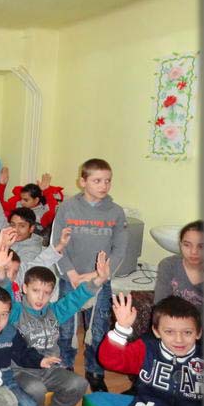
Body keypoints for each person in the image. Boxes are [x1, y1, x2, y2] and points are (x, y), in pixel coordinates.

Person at [8, 251, 110, 406]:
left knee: (79, 383)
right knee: (36, 389)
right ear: (24, 288)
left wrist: (98, 280)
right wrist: (3, 275)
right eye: (36, 290)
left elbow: (76, 298)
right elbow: (3, 296)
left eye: (46, 293)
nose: (41, 297)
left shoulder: (54, 311)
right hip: (21, 371)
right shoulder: (16, 311)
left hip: (50, 369)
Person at [51, 158, 127, 392]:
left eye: (107, 181)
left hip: (100, 280)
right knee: (66, 327)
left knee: (98, 328)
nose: (103, 185)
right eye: (97, 180)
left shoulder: (115, 212)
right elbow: (56, 242)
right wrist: (72, 273)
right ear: (82, 181)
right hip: (70, 279)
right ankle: (65, 368)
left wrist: (99, 274)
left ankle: (95, 371)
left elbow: (120, 249)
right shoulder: (67, 208)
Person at [98, 294, 202, 406]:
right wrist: (121, 328)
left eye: (187, 332)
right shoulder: (146, 349)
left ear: (198, 333)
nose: (179, 339)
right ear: (156, 331)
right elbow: (110, 360)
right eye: (169, 332)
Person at [154, 220, 203, 307]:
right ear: (180, 245)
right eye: (187, 245)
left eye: (201, 246)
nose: (194, 252)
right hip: (172, 316)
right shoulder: (169, 265)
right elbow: (160, 304)